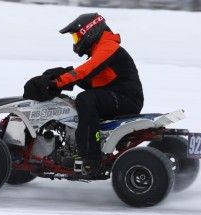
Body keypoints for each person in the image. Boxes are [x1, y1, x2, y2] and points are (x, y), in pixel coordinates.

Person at [26, 13, 144, 175]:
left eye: (76, 37)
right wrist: (62, 74)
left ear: (90, 31)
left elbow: (86, 71)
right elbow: (91, 80)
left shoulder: (108, 46)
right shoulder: (102, 48)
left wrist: (58, 82)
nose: (76, 42)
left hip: (126, 99)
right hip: (117, 94)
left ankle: (90, 158)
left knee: (86, 99)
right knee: (83, 97)